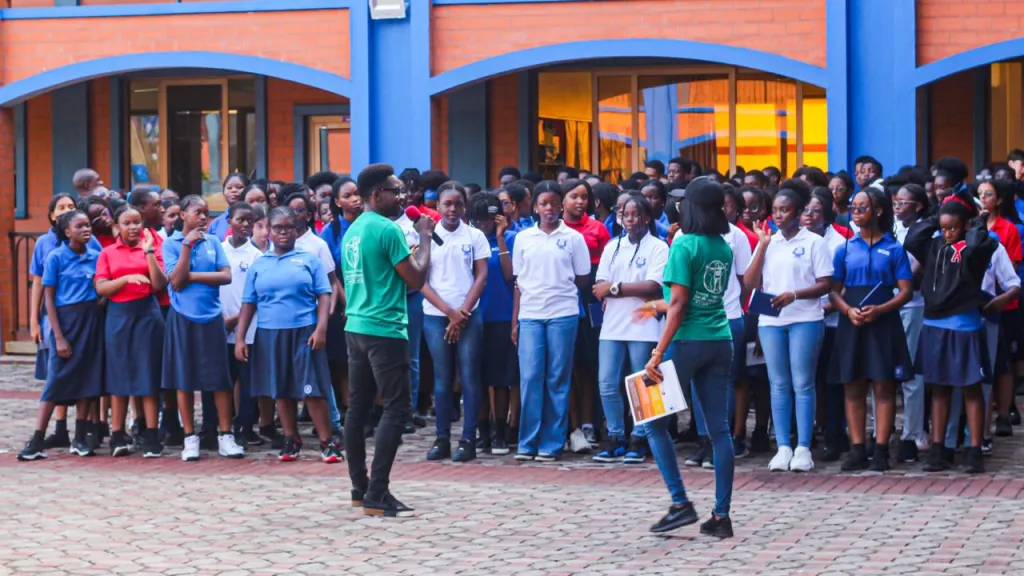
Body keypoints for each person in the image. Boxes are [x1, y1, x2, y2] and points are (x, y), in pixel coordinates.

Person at [636, 177, 735, 538]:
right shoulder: (722, 246)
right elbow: (691, 299)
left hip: (684, 344)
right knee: (719, 430)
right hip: (719, 340)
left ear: (690, 207)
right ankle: (720, 517)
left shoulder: (684, 245)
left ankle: (680, 504)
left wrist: (657, 352)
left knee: (653, 423)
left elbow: (678, 306)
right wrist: (655, 306)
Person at [342, 164, 435, 517]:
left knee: (358, 407)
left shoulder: (354, 230)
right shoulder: (387, 229)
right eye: (394, 191)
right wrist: (424, 237)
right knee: (397, 409)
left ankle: (359, 487)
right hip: (385, 328)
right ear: (375, 195)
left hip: (356, 326)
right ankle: (378, 492)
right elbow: (415, 278)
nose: (402, 196)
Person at [235, 207, 343, 463]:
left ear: (296, 230)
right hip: (269, 334)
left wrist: (321, 328)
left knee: (312, 388)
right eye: (277, 228)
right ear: (268, 231)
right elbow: (249, 303)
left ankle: (328, 442)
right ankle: (291, 439)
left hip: (304, 331)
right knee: (280, 389)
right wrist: (240, 338)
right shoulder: (259, 264)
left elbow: (324, 294)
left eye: (288, 228)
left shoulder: (309, 260)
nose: (283, 233)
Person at [905, 201, 998, 473]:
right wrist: (936, 217)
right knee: (939, 388)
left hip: (964, 325)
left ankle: (974, 451)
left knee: (971, 389)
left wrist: (976, 224)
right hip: (934, 323)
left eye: (953, 228)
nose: (947, 233)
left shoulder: (972, 248)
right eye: (943, 229)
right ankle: (937, 450)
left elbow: (981, 244)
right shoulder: (933, 246)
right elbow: (913, 237)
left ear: (965, 226)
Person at [744, 187, 832, 473]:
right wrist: (763, 244)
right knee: (778, 384)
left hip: (805, 318)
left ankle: (803, 448)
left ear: (798, 212)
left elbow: (825, 284)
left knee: (803, 383)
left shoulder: (814, 242)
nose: (779, 216)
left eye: (785, 210)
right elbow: (750, 281)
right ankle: (783, 447)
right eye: (776, 211)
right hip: (771, 321)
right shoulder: (769, 242)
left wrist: (794, 295)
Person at [828, 188, 914, 471]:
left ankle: (880, 449)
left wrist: (881, 310)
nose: (856, 212)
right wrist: (847, 310)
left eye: (862, 207)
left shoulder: (894, 248)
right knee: (853, 385)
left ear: (878, 211)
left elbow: (905, 291)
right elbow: (833, 291)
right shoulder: (845, 248)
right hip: (852, 322)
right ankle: (856, 449)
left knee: (883, 385)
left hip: (882, 322)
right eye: (853, 208)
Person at [511, 180, 591, 462]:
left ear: (561, 206)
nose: (549, 209)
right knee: (531, 378)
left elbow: (582, 277)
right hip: (531, 315)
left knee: (558, 378)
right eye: (543, 204)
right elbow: (518, 280)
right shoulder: (523, 238)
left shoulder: (573, 238)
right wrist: (515, 322)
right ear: (535, 207)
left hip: (563, 314)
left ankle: (551, 443)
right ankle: (528, 442)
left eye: (554, 204)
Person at [162, 195, 244, 462]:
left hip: (211, 318)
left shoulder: (213, 243)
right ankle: (189, 438)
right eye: (197, 212)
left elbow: (226, 275)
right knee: (184, 380)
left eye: (206, 213)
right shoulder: (171, 244)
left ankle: (225, 435)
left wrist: (192, 277)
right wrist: (187, 246)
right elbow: (175, 281)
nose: (203, 218)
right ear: (183, 215)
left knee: (219, 379)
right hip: (182, 318)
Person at [18, 211, 104, 460]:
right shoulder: (55, 257)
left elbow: (102, 288)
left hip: (91, 321)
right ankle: (37, 439)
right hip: (65, 322)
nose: (86, 229)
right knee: (55, 382)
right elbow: (49, 298)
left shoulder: (96, 257)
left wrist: (104, 298)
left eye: (88, 225)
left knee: (88, 380)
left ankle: (80, 438)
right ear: (67, 231)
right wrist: (58, 336)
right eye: (80, 226)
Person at [591, 194, 667, 464]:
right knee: (607, 383)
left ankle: (641, 437)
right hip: (612, 325)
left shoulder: (659, 247)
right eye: (625, 215)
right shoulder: (613, 245)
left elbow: (653, 287)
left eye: (635, 215)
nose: (630, 219)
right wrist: (612, 289)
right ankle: (615, 437)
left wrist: (615, 289)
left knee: (643, 384)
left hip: (644, 325)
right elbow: (598, 284)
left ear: (647, 217)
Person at [421, 182, 490, 462]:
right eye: (446, 204)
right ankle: (442, 439)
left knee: (470, 376)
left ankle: (469, 439)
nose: (452, 209)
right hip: (436, 315)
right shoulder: (427, 236)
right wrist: (448, 312)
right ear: (437, 206)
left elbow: (482, 275)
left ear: (465, 206)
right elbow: (419, 280)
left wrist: (461, 312)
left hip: (468, 315)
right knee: (442, 378)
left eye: (457, 204)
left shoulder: (474, 236)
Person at [95, 205, 168, 458]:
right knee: (119, 375)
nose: (134, 227)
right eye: (127, 222)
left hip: (147, 314)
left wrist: (148, 252)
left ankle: (150, 434)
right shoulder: (107, 253)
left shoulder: (152, 248)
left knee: (148, 373)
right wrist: (126, 280)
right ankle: (117, 434)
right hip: (119, 315)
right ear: (117, 226)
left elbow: (160, 284)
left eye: (137, 222)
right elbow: (101, 287)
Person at [283, 186, 345, 437]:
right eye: (291, 211)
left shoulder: (317, 244)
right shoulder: (278, 242)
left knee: (318, 374)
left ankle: (334, 425)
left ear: (309, 215)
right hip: (284, 319)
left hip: (312, 317)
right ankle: (291, 432)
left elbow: (331, 282)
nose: (296, 215)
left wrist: (328, 313)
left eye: (301, 211)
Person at [800, 188, 850, 462]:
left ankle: (835, 436)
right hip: (801, 319)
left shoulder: (839, 241)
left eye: (815, 211)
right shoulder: (794, 239)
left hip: (830, 320)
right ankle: (806, 436)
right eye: (805, 210)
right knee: (807, 380)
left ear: (827, 214)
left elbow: (841, 287)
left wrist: (823, 306)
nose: (809, 216)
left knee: (832, 381)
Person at [561, 179, 610, 450]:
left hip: (592, 295)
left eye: (584, 197)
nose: (580, 202)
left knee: (589, 364)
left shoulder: (598, 229)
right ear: (562, 200)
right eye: (574, 197)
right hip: (565, 293)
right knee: (566, 366)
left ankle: (591, 422)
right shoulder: (555, 230)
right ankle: (571, 424)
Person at [469, 193, 517, 455]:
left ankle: (501, 432)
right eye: (479, 220)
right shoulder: (469, 241)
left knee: (501, 380)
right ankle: (482, 432)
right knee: (476, 378)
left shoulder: (511, 239)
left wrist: (499, 236)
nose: (484, 224)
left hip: (501, 316)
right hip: (474, 316)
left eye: (489, 219)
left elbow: (510, 275)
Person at [220, 203, 268, 446]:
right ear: (229, 220)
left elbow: (258, 296)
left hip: (248, 329)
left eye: (251, 221)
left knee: (248, 382)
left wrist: (237, 319)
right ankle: (224, 428)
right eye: (241, 220)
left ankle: (245, 426)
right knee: (224, 381)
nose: (246, 225)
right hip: (220, 327)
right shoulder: (219, 251)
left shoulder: (257, 256)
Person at [892, 183, 931, 462]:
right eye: (895, 202)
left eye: (903, 203)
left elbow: (912, 273)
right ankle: (882, 432)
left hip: (911, 305)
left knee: (911, 373)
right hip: (881, 304)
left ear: (918, 206)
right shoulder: (888, 227)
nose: (898, 207)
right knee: (882, 372)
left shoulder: (926, 230)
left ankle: (912, 433)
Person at [207, 173, 248, 239]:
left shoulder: (254, 220)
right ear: (223, 192)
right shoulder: (216, 223)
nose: (233, 190)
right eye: (229, 188)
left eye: (239, 187)